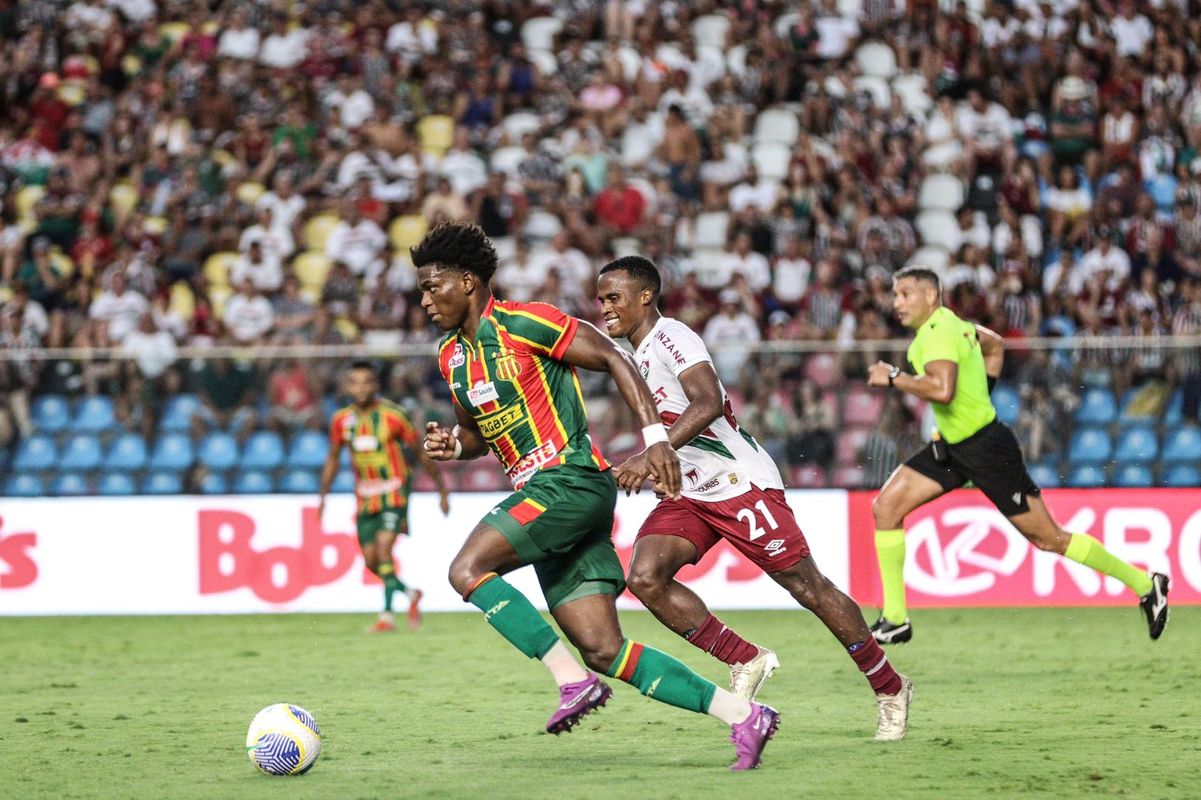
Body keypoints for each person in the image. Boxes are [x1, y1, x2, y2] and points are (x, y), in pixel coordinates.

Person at [414, 222, 778, 771]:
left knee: (466, 570)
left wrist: (655, 439)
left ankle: (569, 682)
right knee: (604, 648)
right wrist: (454, 444)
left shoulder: (525, 322)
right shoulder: (452, 357)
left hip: (570, 480)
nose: (424, 301)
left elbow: (615, 357)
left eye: (432, 286)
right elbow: (478, 435)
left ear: (468, 282)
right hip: (549, 497)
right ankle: (744, 715)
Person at [596, 255, 914, 742]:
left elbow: (707, 402)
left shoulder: (673, 338)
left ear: (645, 296)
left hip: (738, 482)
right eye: (600, 300)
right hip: (688, 489)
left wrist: (652, 453)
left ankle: (890, 688)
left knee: (809, 588)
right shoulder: (631, 353)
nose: (605, 308)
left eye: (613, 298)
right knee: (645, 576)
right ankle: (745, 658)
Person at [866, 266, 1170, 644]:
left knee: (1049, 539)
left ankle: (1145, 583)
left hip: (987, 450)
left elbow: (942, 391)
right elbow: (995, 346)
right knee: (886, 508)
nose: (897, 303)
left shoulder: (936, 335)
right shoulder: (957, 325)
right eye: (895, 295)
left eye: (905, 294)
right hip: (952, 448)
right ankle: (895, 618)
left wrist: (894, 376)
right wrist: (979, 394)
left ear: (931, 296)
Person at [318, 361, 450, 633]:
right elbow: (332, 458)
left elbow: (420, 453)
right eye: (355, 382)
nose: (361, 387)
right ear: (348, 386)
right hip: (365, 497)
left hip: (394, 491)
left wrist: (441, 488)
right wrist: (323, 497)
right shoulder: (341, 420)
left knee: (384, 550)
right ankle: (410, 594)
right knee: (371, 561)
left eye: (367, 381)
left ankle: (386, 617)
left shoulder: (394, 415)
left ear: (376, 385)